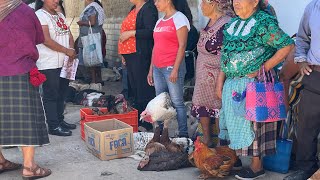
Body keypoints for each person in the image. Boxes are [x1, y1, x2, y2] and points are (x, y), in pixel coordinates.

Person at [216, 0, 294, 179]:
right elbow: (225, 56)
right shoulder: (232, 24)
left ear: (254, 2)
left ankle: (257, 167)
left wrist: (264, 67)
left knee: (253, 124)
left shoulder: (263, 22)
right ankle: (233, 159)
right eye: (234, 0)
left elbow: (287, 45)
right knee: (230, 121)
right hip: (232, 83)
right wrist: (219, 82)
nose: (236, 3)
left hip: (255, 85)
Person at [0, 0, 51, 179]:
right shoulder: (24, 11)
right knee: (25, 118)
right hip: (19, 70)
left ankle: (0, 161)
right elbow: (38, 38)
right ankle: (29, 167)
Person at [284, 0, 320, 179]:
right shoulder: (313, 7)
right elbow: (302, 38)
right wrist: (301, 59)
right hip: (315, 74)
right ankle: (307, 169)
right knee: (306, 126)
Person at [191, 0, 233, 147]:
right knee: (203, 107)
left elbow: (227, 53)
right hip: (203, 75)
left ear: (213, 4)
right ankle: (207, 139)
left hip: (217, 75)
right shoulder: (210, 21)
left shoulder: (226, 23)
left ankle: (223, 145)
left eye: (203, 3)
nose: (201, 6)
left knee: (218, 109)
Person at [148, 0, 192, 138]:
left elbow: (182, 45)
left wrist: (175, 69)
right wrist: (151, 69)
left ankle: (183, 135)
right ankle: (161, 133)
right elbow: (155, 47)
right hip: (158, 68)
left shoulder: (180, 18)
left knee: (177, 102)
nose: (155, 4)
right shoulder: (159, 21)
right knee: (160, 102)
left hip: (171, 67)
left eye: (158, 1)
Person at [35, 0, 77, 136]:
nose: (56, 1)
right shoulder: (40, 15)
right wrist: (66, 50)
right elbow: (45, 39)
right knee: (51, 94)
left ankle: (60, 120)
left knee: (62, 93)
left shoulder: (60, 15)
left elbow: (69, 34)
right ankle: (53, 126)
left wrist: (71, 49)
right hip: (49, 63)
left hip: (65, 62)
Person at [118, 0, 158, 131]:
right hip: (130, 55)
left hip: (141, 54)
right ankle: (138, 118)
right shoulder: (133, 8)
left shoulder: (149, 8)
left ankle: (146, 122)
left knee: (143, 89)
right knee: (134, 88)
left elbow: (150, 31)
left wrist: (131, 33)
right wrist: (123, 53)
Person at [77, 0, 106, 84]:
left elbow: (92, 22)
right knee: (95, 57)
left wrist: (81, 22)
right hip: (92, 37)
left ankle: (93, 81)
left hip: (89, 39)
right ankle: (98, 79)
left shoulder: (92, 8)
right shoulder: (95, 6)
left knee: (91, 58)